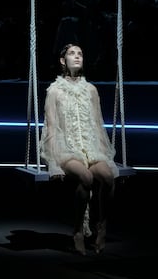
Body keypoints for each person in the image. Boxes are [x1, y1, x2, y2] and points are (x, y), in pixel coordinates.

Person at [40, 43, 118, 256]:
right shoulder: (54, 91)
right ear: (63, 60)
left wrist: (104, 153)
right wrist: (54, 162)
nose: (77, 56)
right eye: (72, 53)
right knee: (86, 177)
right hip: (66, 148)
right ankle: (77, 231)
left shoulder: (91, 89)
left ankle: (102, 226)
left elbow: (97, 123)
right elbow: (52, 126)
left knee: (108, 177)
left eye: (81, 54)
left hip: (90, 147)